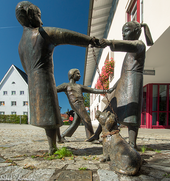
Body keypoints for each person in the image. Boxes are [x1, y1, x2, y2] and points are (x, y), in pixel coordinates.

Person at [15, 1, 99, 154]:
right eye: (39, 15)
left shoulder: (21, 44)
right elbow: (67, 36)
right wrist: (90, 41)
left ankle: (56, 141)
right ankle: (52, 148)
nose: (42, 20)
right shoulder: (42, 34)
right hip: (44, 78)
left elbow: (26, 67)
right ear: (31, 15)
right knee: (50, 114)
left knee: (50, 113)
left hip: (33, 81)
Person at [87, 21, 153, 149]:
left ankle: (132, 143)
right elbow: (123, 73)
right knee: (107, 110)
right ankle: (97, 134)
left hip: (132, 81)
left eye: (127, 29)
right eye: (123, 30)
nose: (123, 33)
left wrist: (109, 42)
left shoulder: (139, 45)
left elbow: (126, 46)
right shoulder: (130, 51)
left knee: (131, 112)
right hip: (123, 82)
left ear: (136, 31)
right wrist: (113, 87)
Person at [56, 69, 112, 139]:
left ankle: (62, 136)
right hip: (77, 104)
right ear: (72, 75)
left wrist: (105, 91)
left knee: (76, 122)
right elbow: (54, 90)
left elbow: (92, 90)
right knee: (87, 119)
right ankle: (91, 137)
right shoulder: (66, 85)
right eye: (78, 74)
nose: (80, 75)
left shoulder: (79, 86)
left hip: (80, 104)